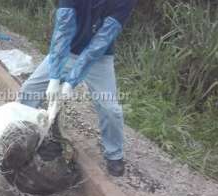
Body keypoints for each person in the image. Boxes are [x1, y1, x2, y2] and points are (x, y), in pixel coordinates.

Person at [19, 0, 137, 177]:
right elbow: (63, 31)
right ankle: (20, 134)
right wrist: (54, 77)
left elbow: (101, 41)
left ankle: (114, 155)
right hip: (66, 51)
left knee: (110, 109)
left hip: (99, 58)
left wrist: (71, 82)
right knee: (29, 89)